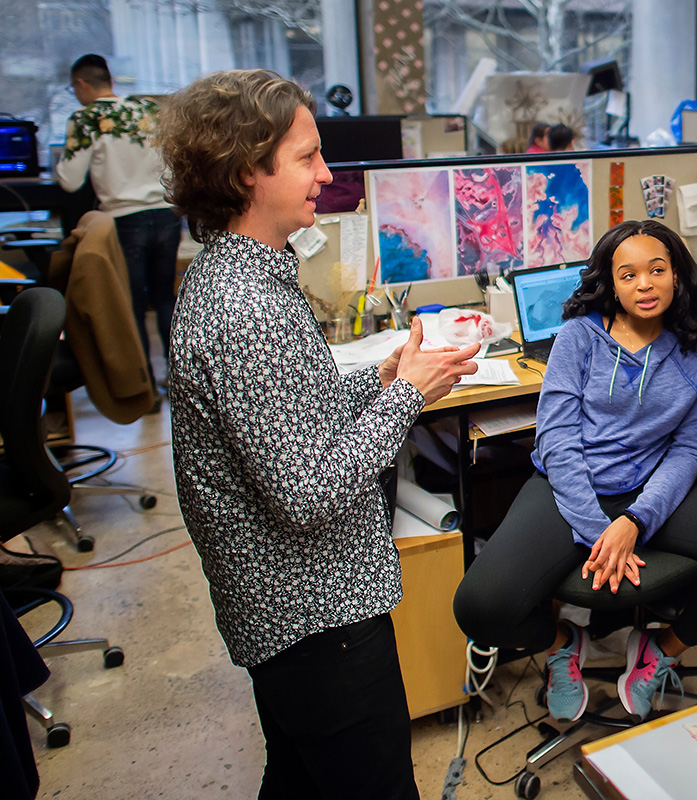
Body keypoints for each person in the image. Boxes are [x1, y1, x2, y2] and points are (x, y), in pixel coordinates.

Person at [157, 69, 480, 799]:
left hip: (294, 614)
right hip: (316, 618)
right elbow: (306, 493)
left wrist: (382, 375)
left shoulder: (242, 279)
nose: (326, 176)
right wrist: (409, 396)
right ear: (248, 171)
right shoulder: (247, 311)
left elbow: (289, 410)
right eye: (307, 158)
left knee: (301, 779)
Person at [454, 220, 697, 722]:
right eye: (628, 274)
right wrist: (599, 532)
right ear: (610, 283)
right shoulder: (579, 338)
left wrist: (635, 522)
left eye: (657, 270)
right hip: (566, 486)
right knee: (481, 608)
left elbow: (687, 451)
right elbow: (556, 440)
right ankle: (564, 643)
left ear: (676, 275)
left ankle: (660, 650)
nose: (644, 284)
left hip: (651, 490)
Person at [55, 54, 181, 395]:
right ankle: (181, 381)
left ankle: (143, 388)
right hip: (166, 213)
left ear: (82, 84)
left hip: (124, 219)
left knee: (132, 304)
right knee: (166, 298)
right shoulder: (147, 109)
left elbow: (68, 180)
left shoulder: (86, 118)